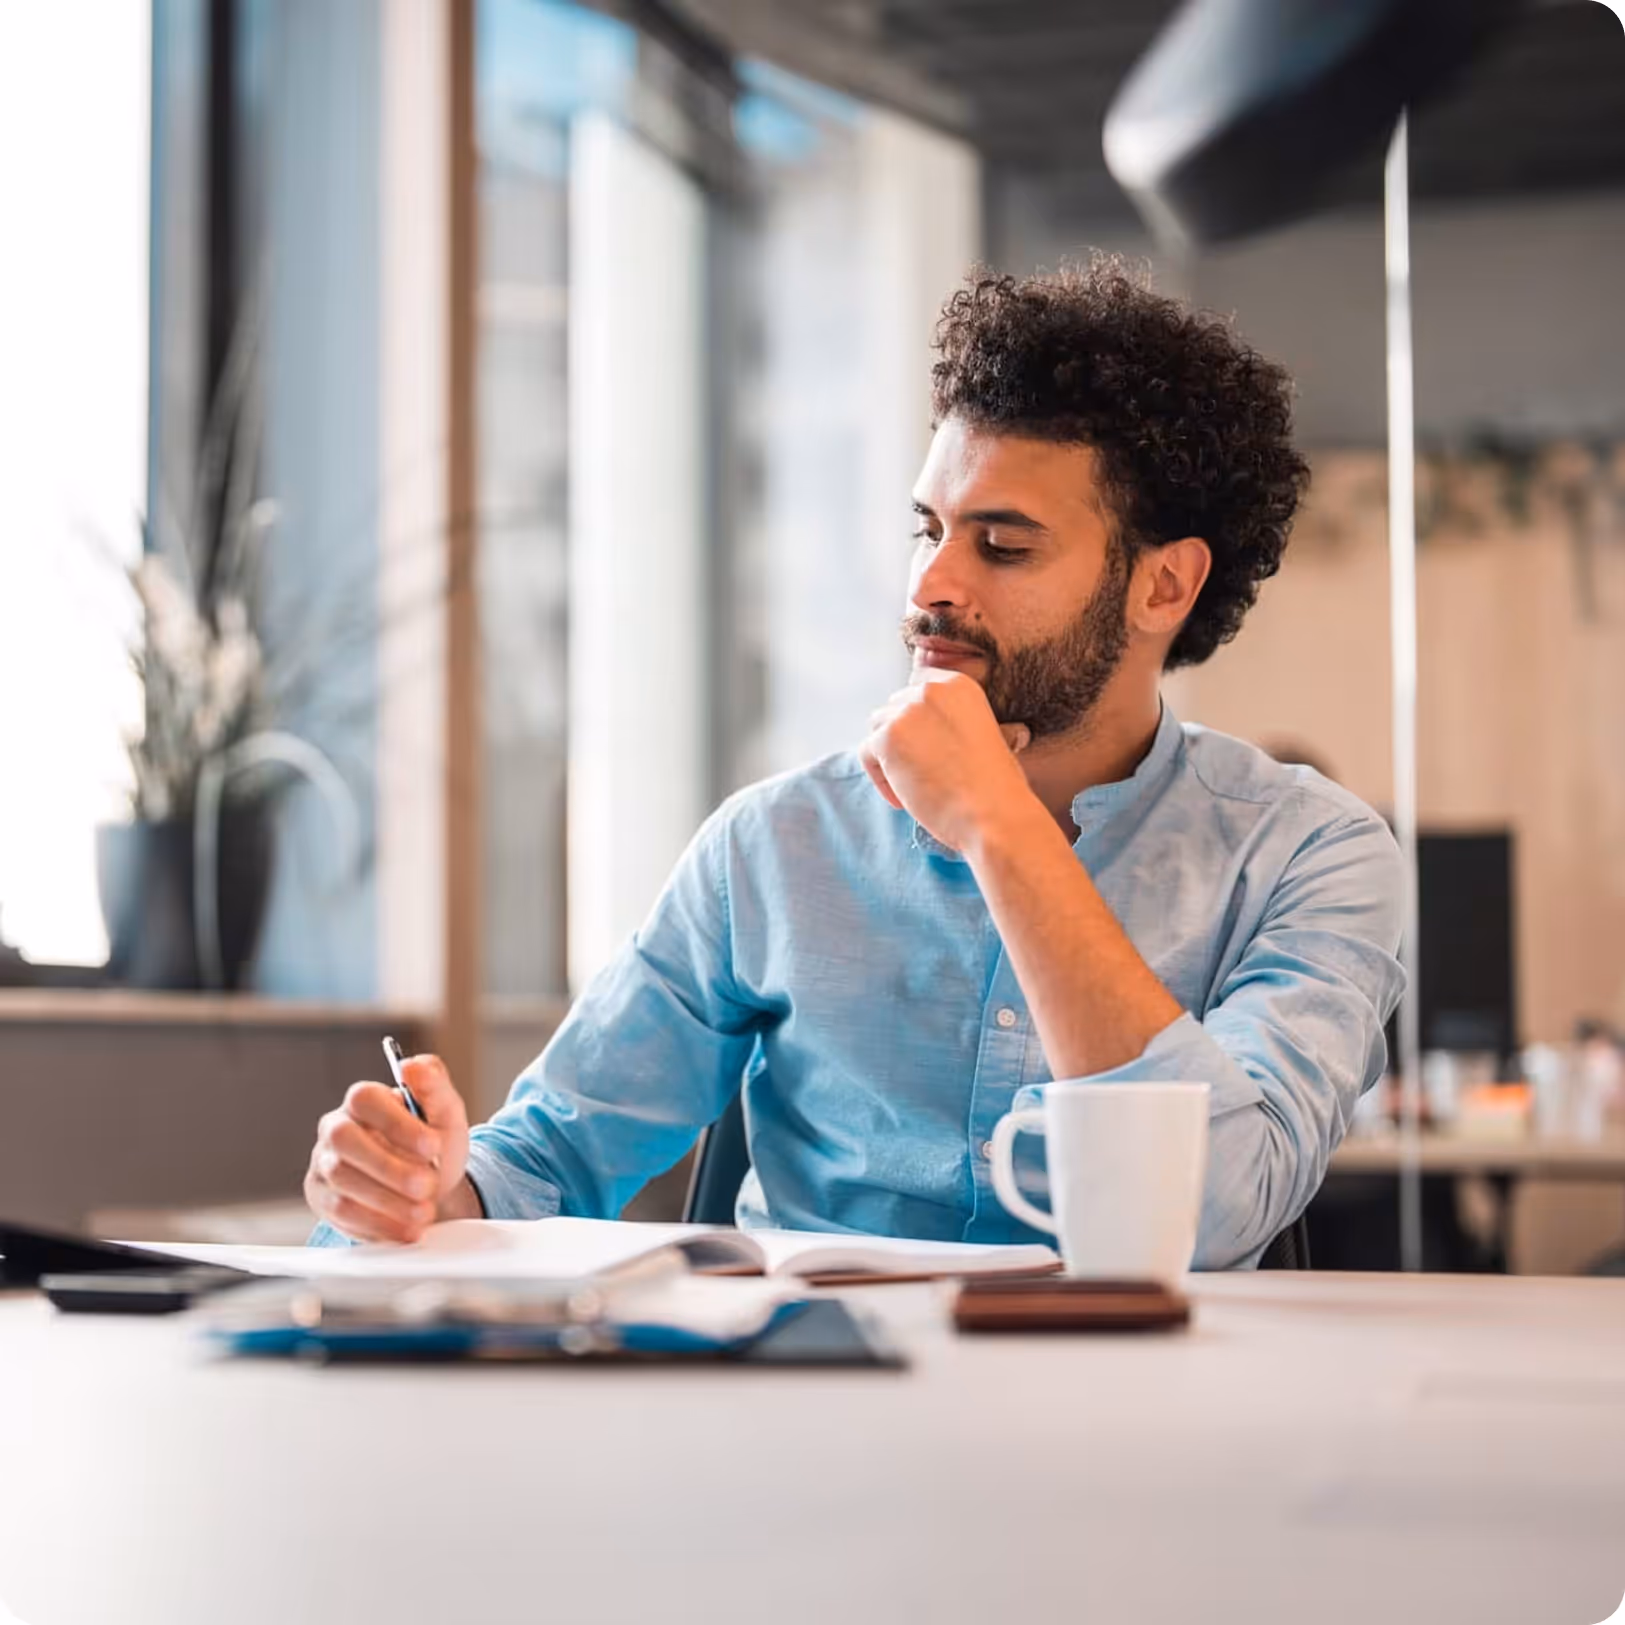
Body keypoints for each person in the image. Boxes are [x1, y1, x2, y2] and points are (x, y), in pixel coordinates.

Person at [304, 257, 1405, 1268]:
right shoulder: (772, 842)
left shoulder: (1307, 852)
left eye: (1002, 545)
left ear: (1162, 586)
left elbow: (1217, 1209)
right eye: (928, 527)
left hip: (1145, 1429)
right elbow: (536, 1165)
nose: (931, 583)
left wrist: (1000, 829)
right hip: (802, 1413)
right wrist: (413, 1191)